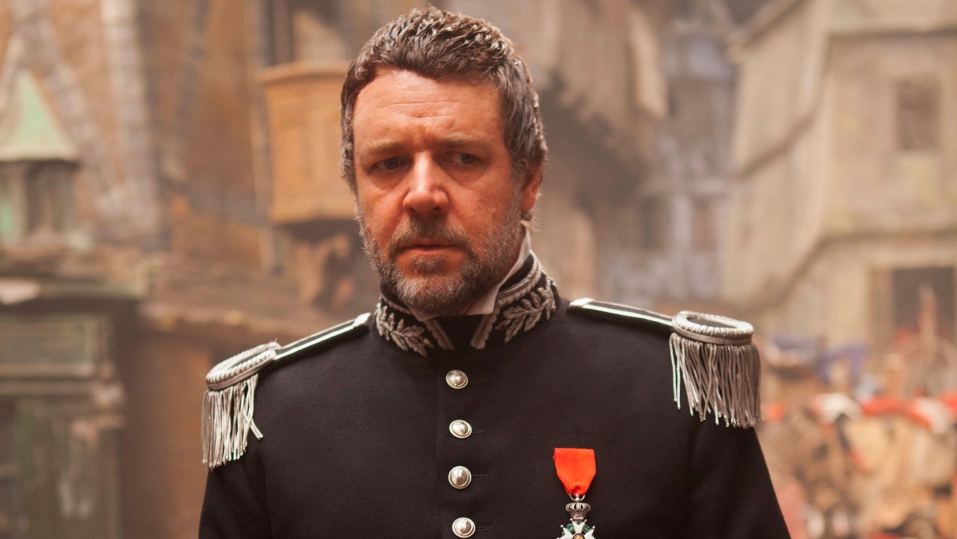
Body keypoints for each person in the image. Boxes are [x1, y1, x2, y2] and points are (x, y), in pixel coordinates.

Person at [198, 7, 790, 538]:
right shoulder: (271, 418)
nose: (422, 194)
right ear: (356, 190)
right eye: (390, 163)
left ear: (528, 181)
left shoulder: (674, 392)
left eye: (461, 158)